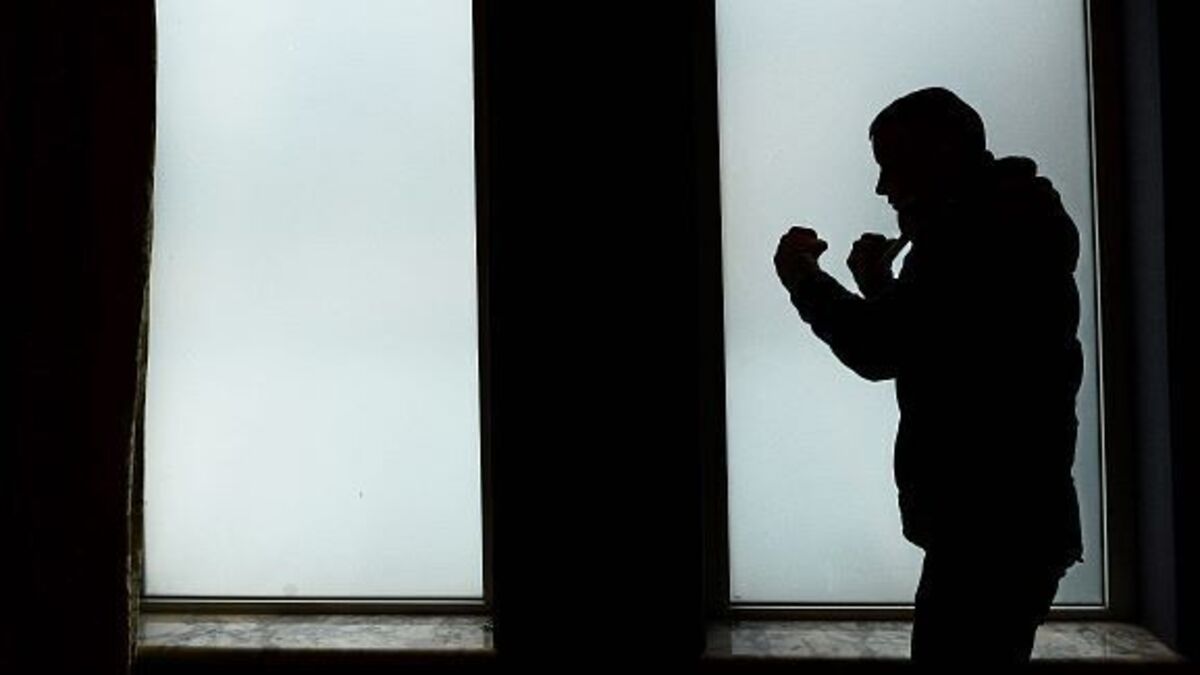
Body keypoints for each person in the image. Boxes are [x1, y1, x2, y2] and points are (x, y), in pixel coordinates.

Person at [773, 87, 1085, 665]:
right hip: (1014, 522)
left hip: (986, 529)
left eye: (892, 164)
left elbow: (880, 348)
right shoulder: (1004, 224)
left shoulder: (970, 236)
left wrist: (802, 278)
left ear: (940, 154)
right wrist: (881, 287)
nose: (882, 187)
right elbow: (949, 345)